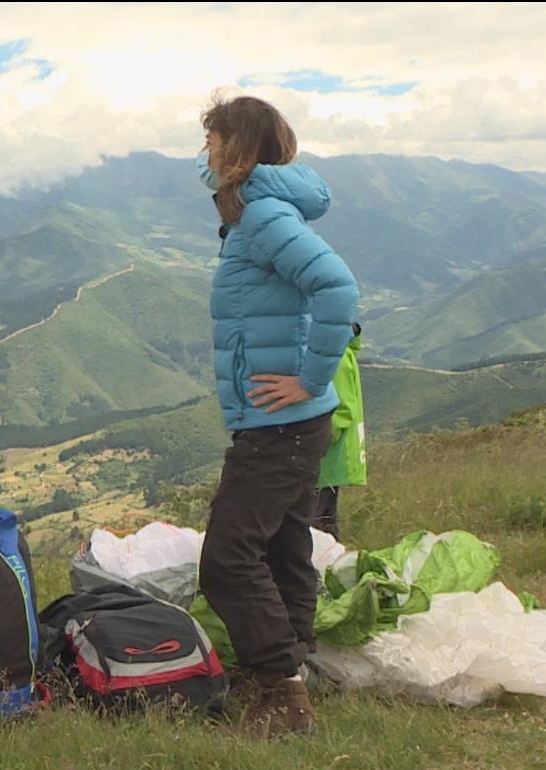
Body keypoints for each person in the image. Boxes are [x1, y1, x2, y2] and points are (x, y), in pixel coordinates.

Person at [194, 95, 359, 737]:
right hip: (288, 424)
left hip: (280, 424)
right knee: (285, 548)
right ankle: (294, 671)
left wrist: (309, 377)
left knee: (228, 561)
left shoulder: (262, 214)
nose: (204, 152)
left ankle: (281, 698)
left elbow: (337, 287)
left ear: (238, 147)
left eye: (213, 140)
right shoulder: (260, 211)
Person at [314, 322, 367, 541]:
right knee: (322, 522)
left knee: (316, 526)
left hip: (327, 457)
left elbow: (341, 409)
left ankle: (321, 571)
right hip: (328, 457)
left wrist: (313, 442)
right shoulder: (335, 350)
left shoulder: (334, 357)